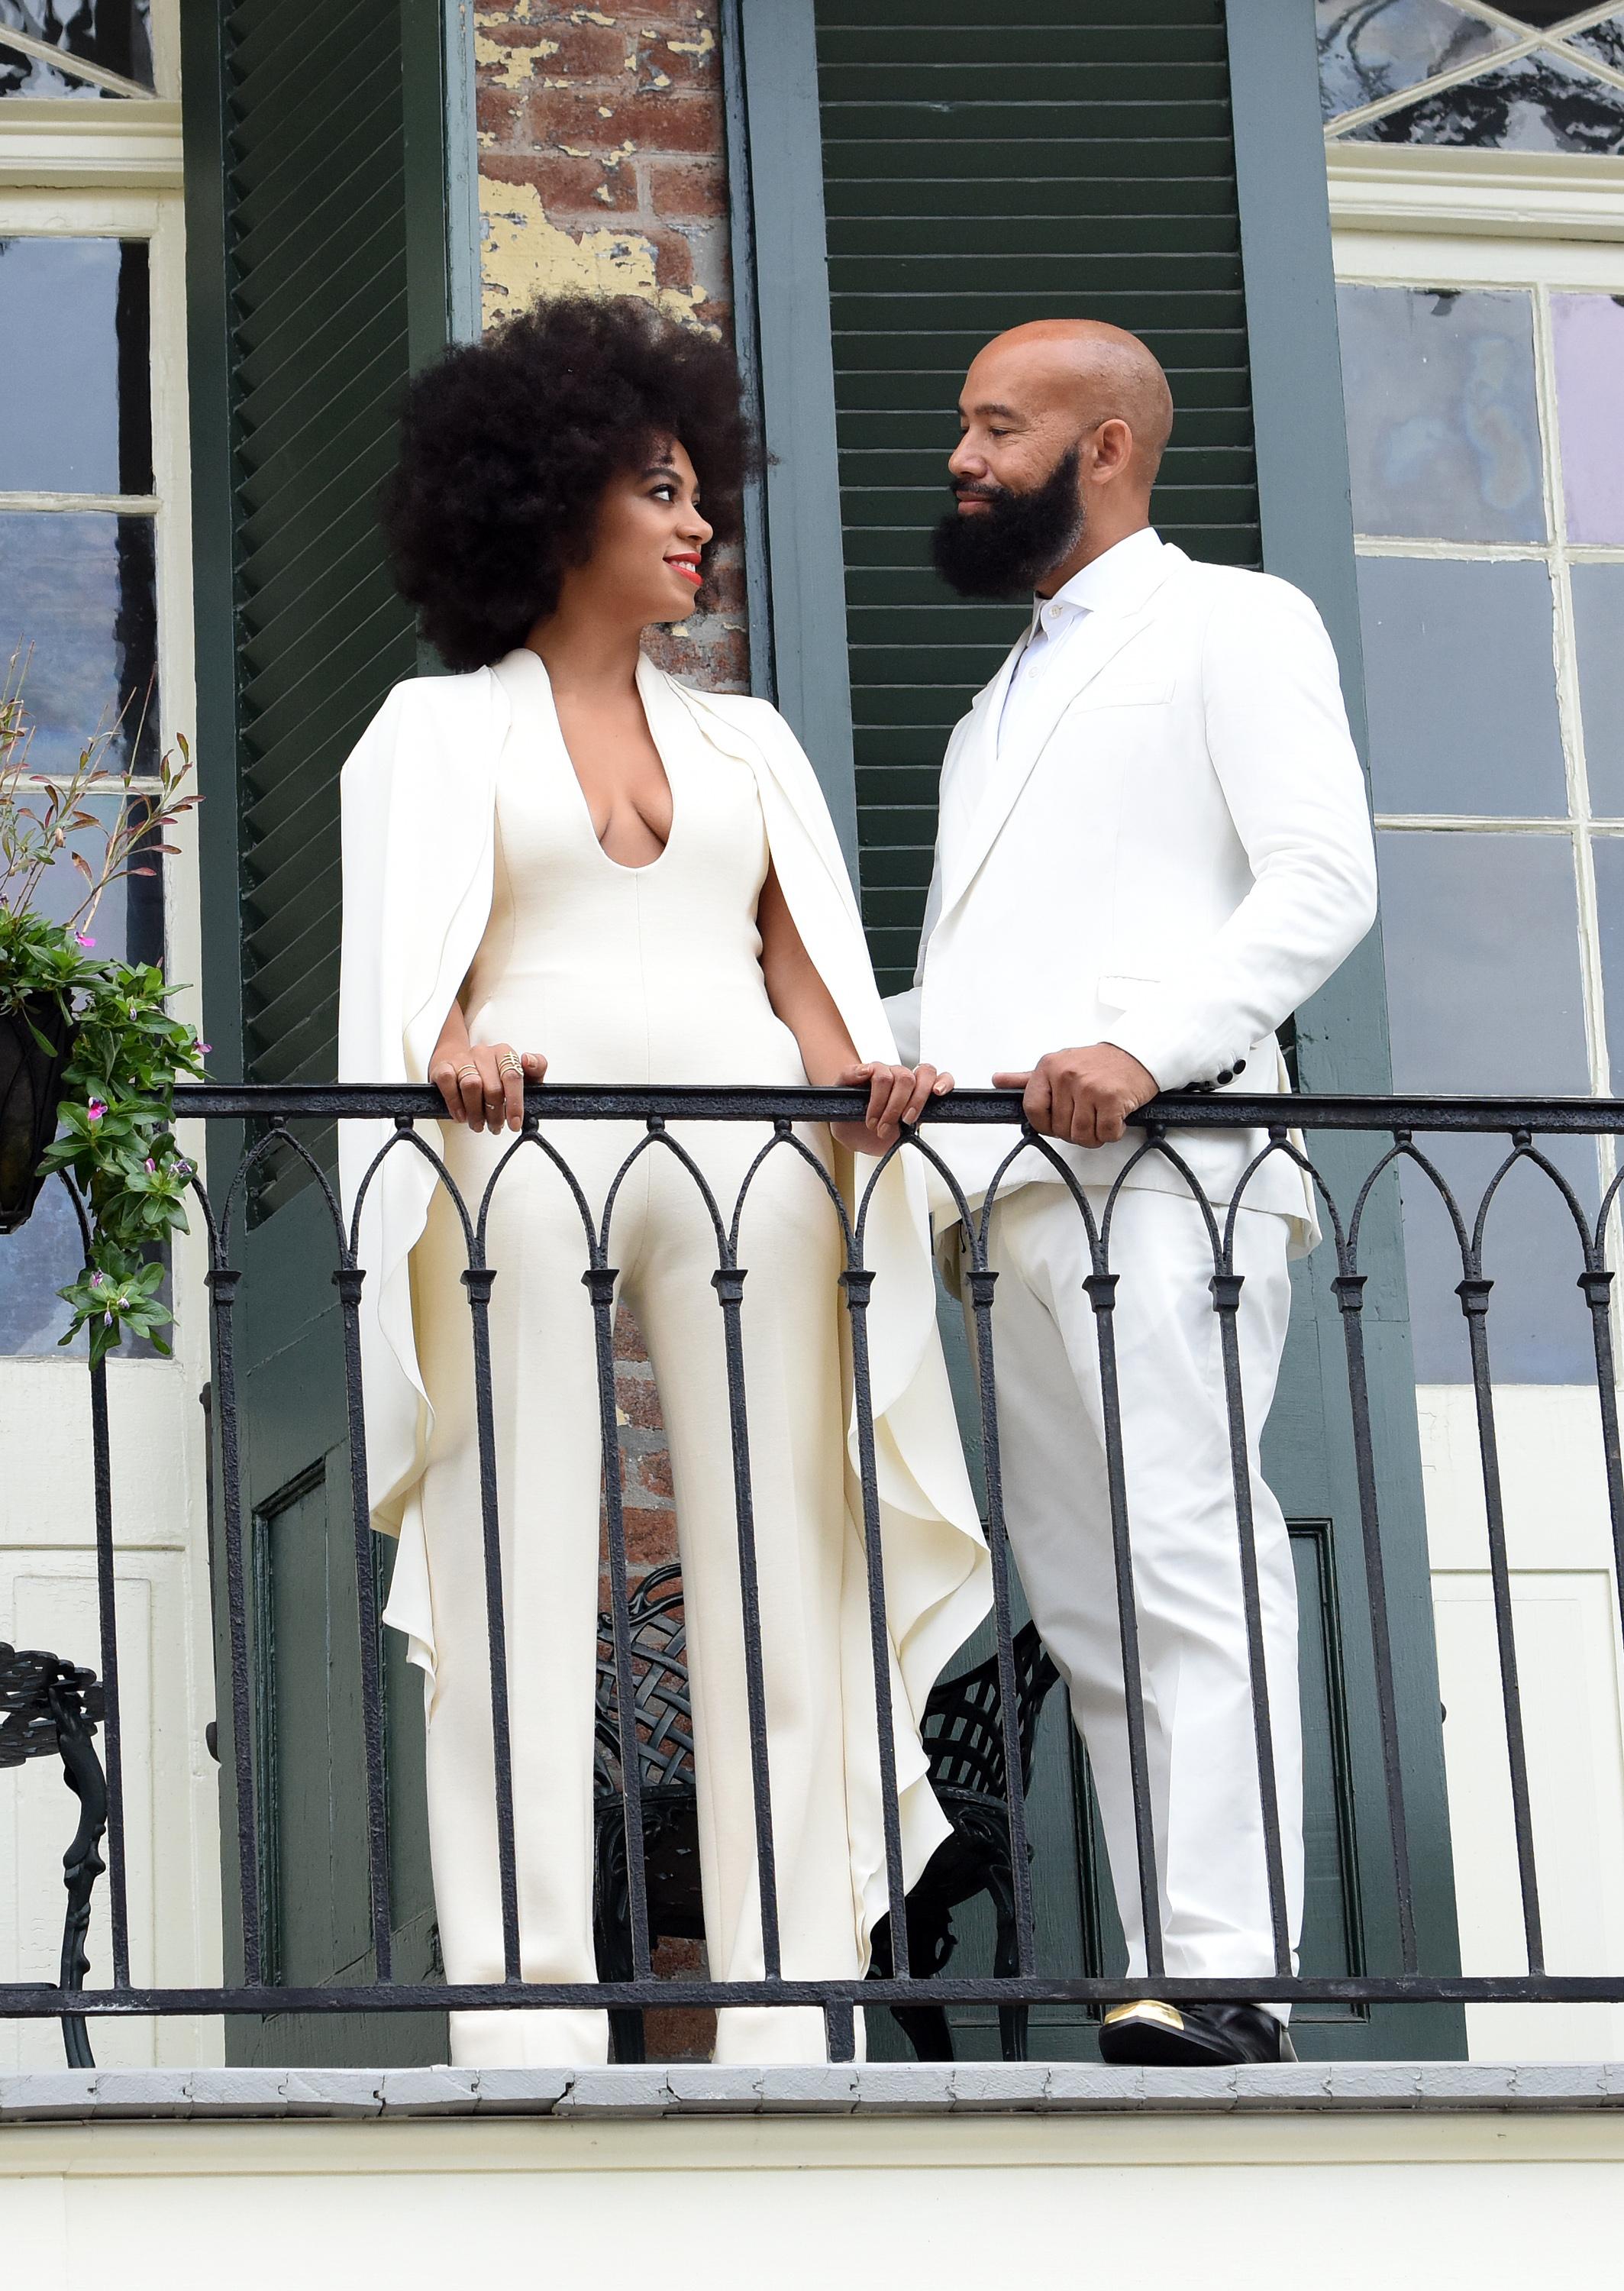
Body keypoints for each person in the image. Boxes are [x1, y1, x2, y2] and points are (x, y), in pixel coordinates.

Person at [337, 295, 990, 2069]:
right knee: (515, 1565)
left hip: (755, 1153)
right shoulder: (427, 732)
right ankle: (524, 2012)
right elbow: (414, 968)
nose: (697, 521)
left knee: (783, 1554)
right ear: (550, 506)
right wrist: (451, 1037)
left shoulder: (749, 744)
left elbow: (805, 983)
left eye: (701, 489)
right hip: (517, 1146)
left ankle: (784, 2002)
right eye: (658, 487)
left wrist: (869, 1080)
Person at [889, 318, 1378, 2068]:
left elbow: (1320, 879)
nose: (960, 454)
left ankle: (1229, 1969)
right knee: (1088, 1596)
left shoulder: (1230, 622)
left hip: (1165, 1168)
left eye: (993, 426)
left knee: (1182, 1547)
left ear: (1102, 445)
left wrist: (1149, 1045)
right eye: (962, 423)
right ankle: (1168, 1954)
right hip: (1010, 1201)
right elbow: (979, 981)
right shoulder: (987, 703)